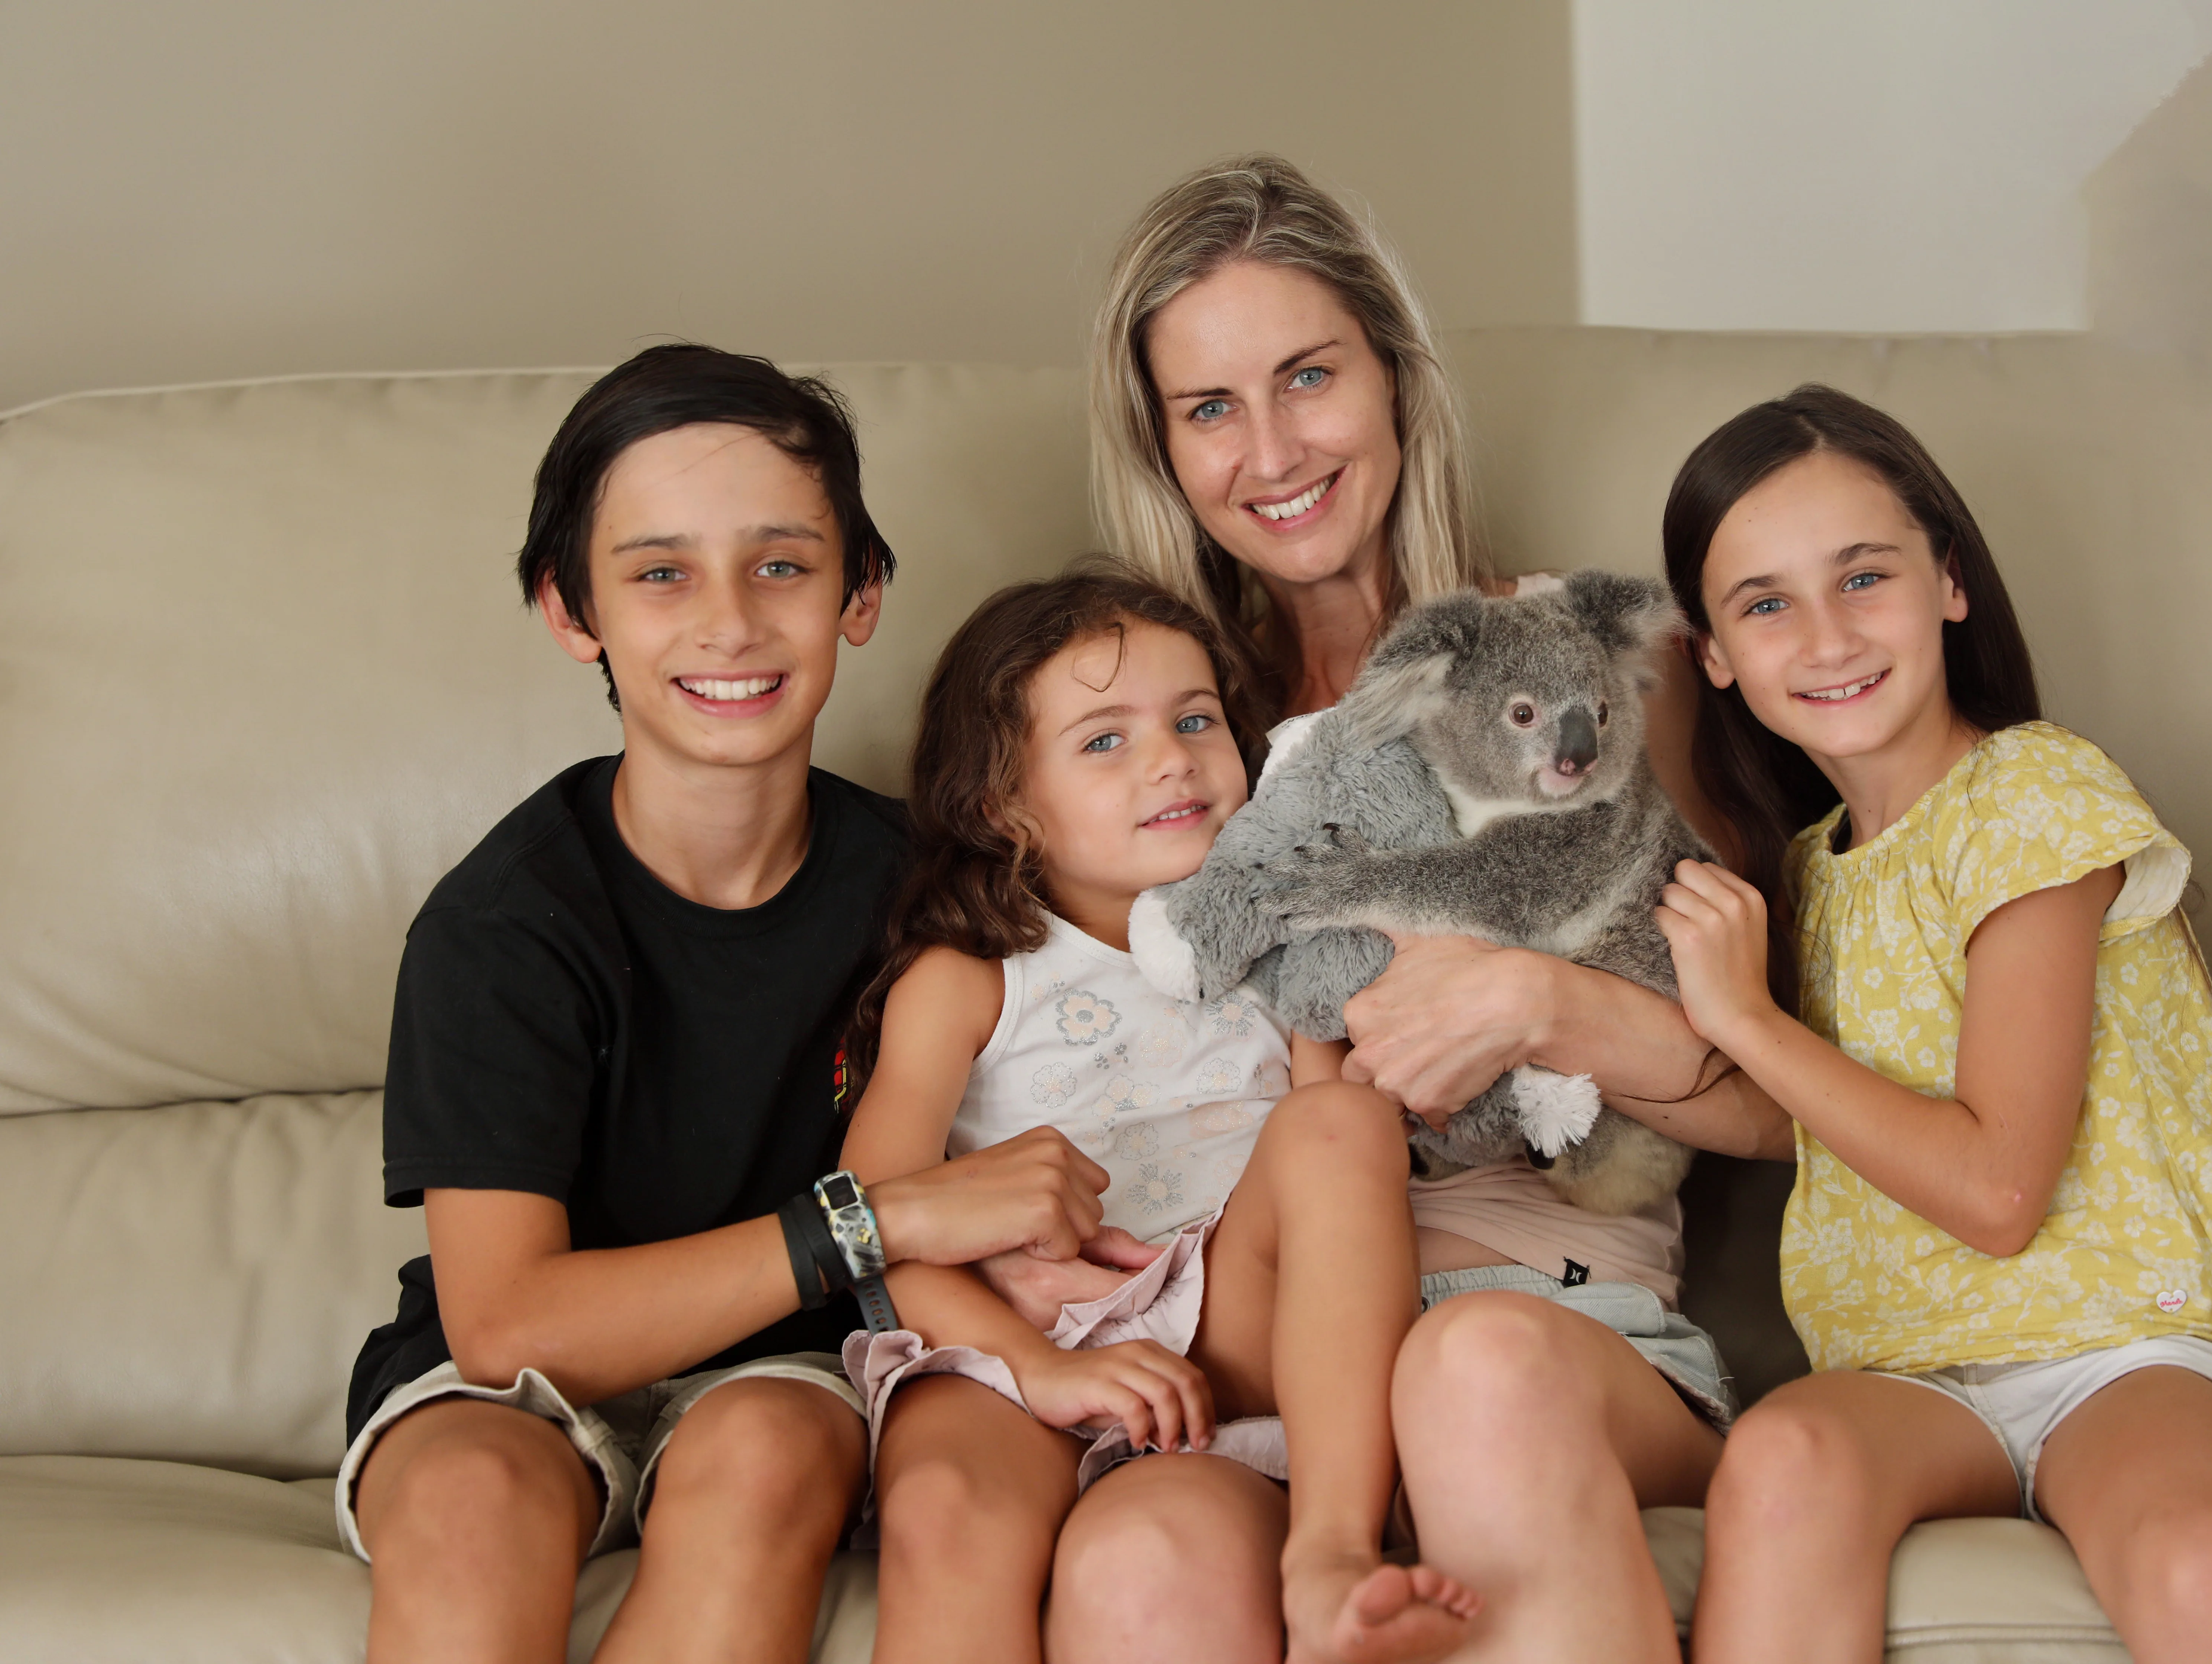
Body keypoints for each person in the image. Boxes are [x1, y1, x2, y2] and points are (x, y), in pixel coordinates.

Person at [1055, 153, 1793, 1664]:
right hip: (1262, 1358)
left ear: (1394, 378)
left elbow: (1795, 1115)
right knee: (1137, 1552)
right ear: (1165, 449)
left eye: (1308, 376)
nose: (1271, 449)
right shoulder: (1161, 745)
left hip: (1545, 1316)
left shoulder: (1573, 679)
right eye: (1210, 408)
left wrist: (1548, 1003)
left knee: (1473, 1374)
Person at [339, 344, 1139, 1664]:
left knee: (765, 1450)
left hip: (790, 1373)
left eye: (783, 565)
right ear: (571, 610)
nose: (729, 622)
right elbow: (506, 1327)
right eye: (660, 574)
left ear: (860, 594)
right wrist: (871, 1218)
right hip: (513, 1385)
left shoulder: (938, 887)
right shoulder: (501, 926)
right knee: (470, 1494)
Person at [1648, 385, 2212, 1663]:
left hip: (2123, 1356)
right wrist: (1543, 1018)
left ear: (1950, 583)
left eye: (1865, 577)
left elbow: (2000, 1188)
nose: (1830, 636)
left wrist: (1742, 1015)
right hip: (1906, 1379)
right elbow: (1802, 1119)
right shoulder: (1809, 871)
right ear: (1717, 656)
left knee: (2201, 1560)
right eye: (1766, 604)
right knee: (1783, 1453)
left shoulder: (2038, 796)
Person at [843, 566, 1482, 1664]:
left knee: (1342, 1126)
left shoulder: (1276, 955)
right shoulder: (968, 979)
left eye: (1196, 720)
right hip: (1018, 1342)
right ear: (1004, 803)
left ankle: (1332, 1545)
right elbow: (872, 1223)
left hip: (1228, 1323)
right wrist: (1039, 1368)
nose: (1172, 758)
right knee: (945, 1493)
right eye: (1103, 740)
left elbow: (1340, 1172)